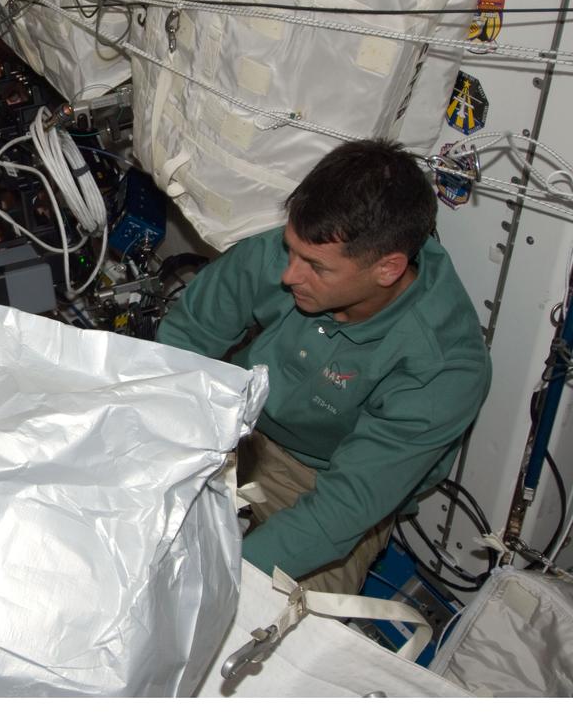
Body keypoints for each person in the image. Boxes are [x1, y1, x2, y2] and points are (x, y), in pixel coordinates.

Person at [155, 139, 491, 595]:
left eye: (315, 267)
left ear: (388, 269)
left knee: (284, 620)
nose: (289, 275)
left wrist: (218, 580)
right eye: (290, 249)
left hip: (321, 480)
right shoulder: (300, 248)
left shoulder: (442, 367)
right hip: (232, 414)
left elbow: (343, 509)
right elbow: (187, 338)